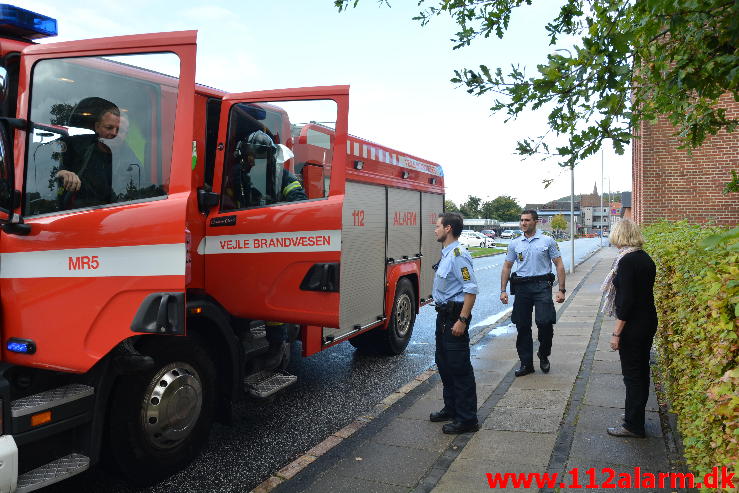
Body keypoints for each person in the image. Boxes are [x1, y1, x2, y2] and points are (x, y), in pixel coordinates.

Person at [233, 130, 307, 372]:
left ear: (270, 156)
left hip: (271, 245)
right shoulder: (238, 177)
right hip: (241, 247)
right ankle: (242, 338)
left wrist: (275, 218)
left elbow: (299, 204)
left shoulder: (282, 178)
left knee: (272, 298)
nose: (253, 160)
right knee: (242, 294)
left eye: (259, 155)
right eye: (251, 155)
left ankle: (278, 349)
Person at [603, 220, 658, 438]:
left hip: (634, 324)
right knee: (641, 372)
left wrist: (616, 333)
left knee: (633, 375)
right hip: (647, 320)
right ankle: (635, 418)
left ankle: (633, 426)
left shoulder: (626, 261)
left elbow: (626, 301)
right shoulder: (644, 257)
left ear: (619, 236)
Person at [429, 212, 479, 434]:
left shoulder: (458, 255)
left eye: (438, 226)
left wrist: (462, 319)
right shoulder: (447, 253)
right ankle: (451, 409)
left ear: (448, 228)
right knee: (445, 364)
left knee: (459, 369)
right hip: (444, 316)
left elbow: (471, 290)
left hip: (455, 317)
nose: (435, 229)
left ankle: (467, 419)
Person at [500, 210, 566, 377]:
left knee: (545, 323)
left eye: (527, 220)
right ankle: (526, 363)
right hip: (522, 288)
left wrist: (561, 290)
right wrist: (503, 291)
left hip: (542, 286)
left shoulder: (547, 241)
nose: (523, 223)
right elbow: (507, 266)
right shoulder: (515, 243)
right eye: (521, 220)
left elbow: (558, 264)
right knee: (522, 326)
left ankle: (543, 354)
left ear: (536, 221)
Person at [56, 97, 121, 209]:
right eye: (109, 128)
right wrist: (64, 174)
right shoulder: (80, 150)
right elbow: (56, 172)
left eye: (118, 129)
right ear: (97, 127)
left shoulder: (126, 157)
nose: (114, 133)